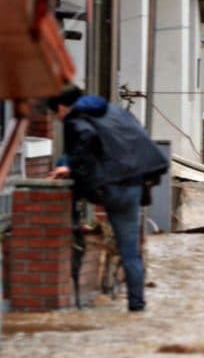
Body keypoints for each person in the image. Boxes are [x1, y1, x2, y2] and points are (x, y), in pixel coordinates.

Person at [47, 84, 168, 312]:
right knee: (130, 252)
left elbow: (86, 138)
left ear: (62, 107)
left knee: (64, 163)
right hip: (133, 184)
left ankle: (75, 234)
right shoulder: (114, 111)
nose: (57, 118)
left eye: (56, 113)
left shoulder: (75, 119)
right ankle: (137, 304)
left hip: (110, 187)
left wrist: (71, 166)